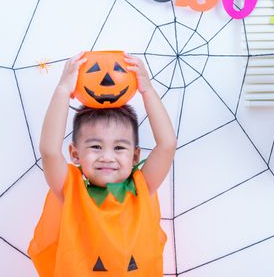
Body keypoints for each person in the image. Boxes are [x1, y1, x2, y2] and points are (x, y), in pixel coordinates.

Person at [28, 52, 176, 276]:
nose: (107, 156)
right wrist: (62, 91)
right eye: (96, 147)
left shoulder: (142, 188)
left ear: (135, 156)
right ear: (75, 154)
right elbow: (49, 151)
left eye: (119, 148)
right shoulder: (71, 191)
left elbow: (167, 145)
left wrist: (147, 90)